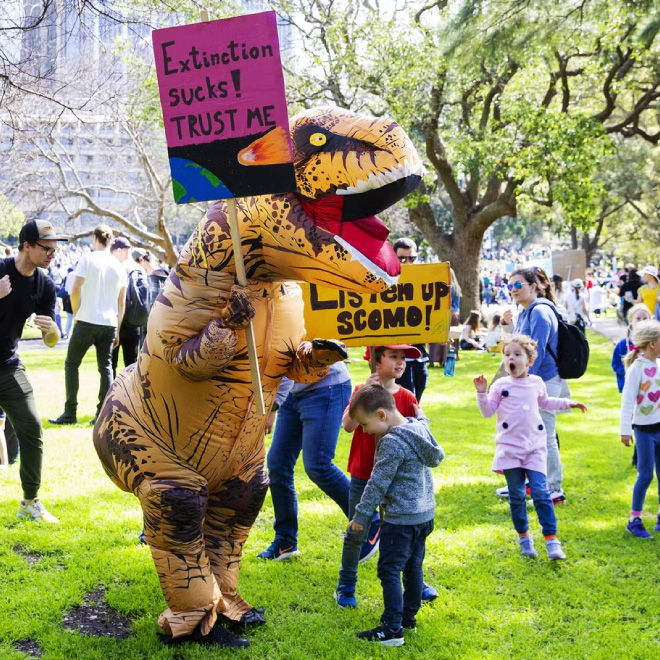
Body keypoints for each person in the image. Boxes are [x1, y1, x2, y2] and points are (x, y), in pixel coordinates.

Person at [334, 345, 438, 608]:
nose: (401, 362)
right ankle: (346, 584)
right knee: (356, 529)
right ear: (375, 361)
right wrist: (364, 392)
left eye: (403, 358)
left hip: (397, 482)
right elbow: (347, 426)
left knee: (404, 534)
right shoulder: (361, 390)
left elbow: (418, 430)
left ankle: (416, 582)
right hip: (364, 473)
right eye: (394, 357)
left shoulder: (407, 396)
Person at [347, 383, 443, 646]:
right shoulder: (417, 428)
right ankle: (408, 619)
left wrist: (360, 517)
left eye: (365, 425)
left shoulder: (392, 442)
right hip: (424, 516)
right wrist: (422, 414)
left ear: (381, 415)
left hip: (400, 520)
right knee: (413, 567)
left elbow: (377, 483)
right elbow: (423, 419)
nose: (365, 432)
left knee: (389, 570)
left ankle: (392, 629)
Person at [474, 335, 586, 560]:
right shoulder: (501, 385)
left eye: (517, 354)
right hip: (509, 449)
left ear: (530, 361)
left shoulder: (536, 383)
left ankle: (551, 539)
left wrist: (568, 403)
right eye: (507, 355)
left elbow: (546, 402)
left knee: (541, 493)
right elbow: (488, 412)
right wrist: (481, 393)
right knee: (516, 495)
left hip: (534, 447)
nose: (510, 358)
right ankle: (524, 537)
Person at [0, 219, 69, 522]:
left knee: (31, 428)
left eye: (55, 249)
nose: (52, 253)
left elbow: (51, 342)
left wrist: (53, 330)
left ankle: (30, 502)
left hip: (8, 365)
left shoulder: (44, 284)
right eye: (46, 248)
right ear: (26, 246)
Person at [256, 362, 352, 560]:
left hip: (326, 386)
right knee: (278, 464)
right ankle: (286, 541)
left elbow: (287, 355)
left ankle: (370, 522)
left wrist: (273, 407)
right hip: (293, 391)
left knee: (318, 465)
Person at [500, 268, 567, 504]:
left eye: (518, 285)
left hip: (544, 381)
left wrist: (524, 385)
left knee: (545, 436)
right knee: (528, 434)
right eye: (510, 286)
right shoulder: (525, 312)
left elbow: (534, 355)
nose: (513, 290)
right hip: (531, 382)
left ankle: (554, 488)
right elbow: (514, 347)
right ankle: (532, 483)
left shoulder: (539, 312)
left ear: (534, 286)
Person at [50, 225, 127, 425]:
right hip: (109, 322)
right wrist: (117, 329)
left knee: (72, 364)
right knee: (106, 367)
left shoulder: (87, 259)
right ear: (111, 242)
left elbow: (75, 289)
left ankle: (70, 411)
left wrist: (76, 313)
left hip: (86, 319)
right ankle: (103, 413)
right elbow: (122, 302)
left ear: (95, 238)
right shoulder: (119, 265)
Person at [620, 319, 660, 538]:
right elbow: (627, 401)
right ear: (652, 343)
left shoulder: (659, 365)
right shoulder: (637, 368)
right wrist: (625, 429)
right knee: (645, 474)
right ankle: (634, 519)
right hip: (644, 430)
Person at [392, 238, 429, 401]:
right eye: (402, 259)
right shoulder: (386, 282)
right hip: (396, 357)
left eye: (412, 258)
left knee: (416, 400)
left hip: (419, 356)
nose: (407, 263)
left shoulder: (425, 282)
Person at [612, 303, 651, 393]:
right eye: (638, 318)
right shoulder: (622, 344)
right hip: (628, 387)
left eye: (645, 318)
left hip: (650, 388)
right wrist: (631, 372)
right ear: (630, 321)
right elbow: (616, 364)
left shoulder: (653, 343)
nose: (641, 321)